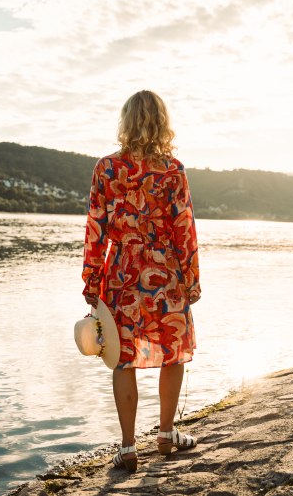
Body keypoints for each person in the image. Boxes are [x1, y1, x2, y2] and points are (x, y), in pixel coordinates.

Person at [82, 90, 201, 473]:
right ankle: (166, 434)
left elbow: (96, 229)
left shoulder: (106, 168)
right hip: (167, 271)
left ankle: (129, 446)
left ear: (126, 122)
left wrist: (91, 281)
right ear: (162, 122)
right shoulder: (173, 170)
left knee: (122, 357)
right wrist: (191, 279)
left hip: (121, 272)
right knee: (173, 350)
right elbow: (184, 228)